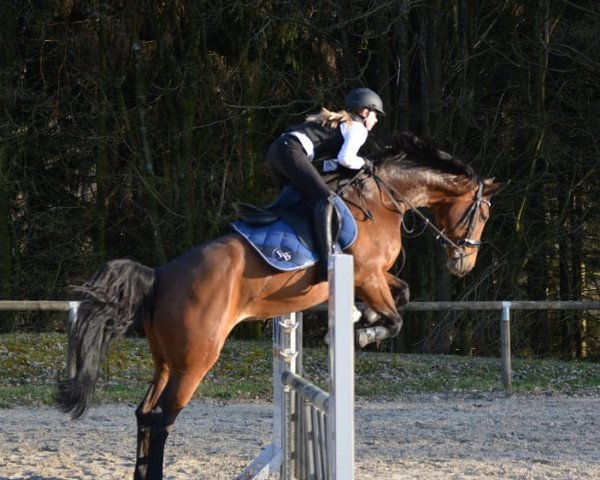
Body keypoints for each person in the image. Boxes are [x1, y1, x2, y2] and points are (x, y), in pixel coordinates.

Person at [266, 87, 385, 281]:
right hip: (290, 151)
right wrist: (365, 163)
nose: (377, 120)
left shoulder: (341, 125)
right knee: (326, 199)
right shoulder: (358, 128)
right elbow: (346, 159)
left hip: (276, 152)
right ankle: (328, 261)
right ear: (364, 112)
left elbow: (330, 164)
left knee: (293, 203)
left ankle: (287, 253)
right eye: (375, 115)